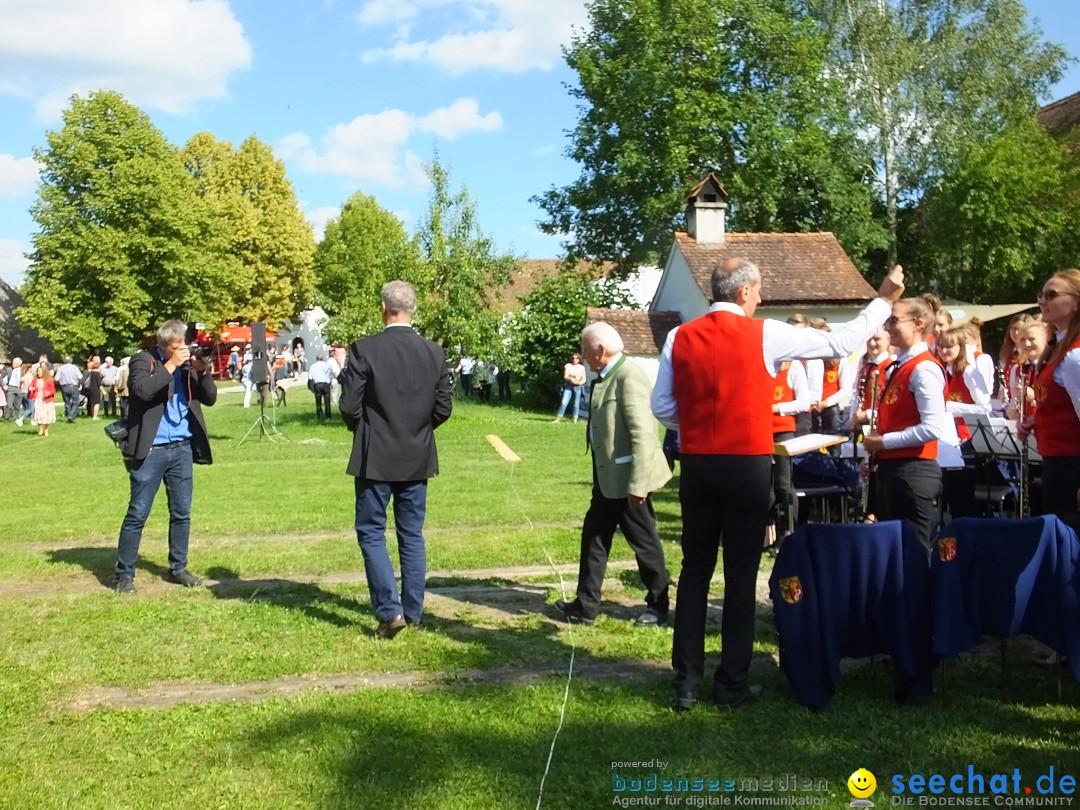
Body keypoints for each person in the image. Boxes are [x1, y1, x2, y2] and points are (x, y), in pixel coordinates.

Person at [651, 258, 904, 711]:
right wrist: (883, 300)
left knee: (694, 570)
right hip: (747, 462)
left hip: (698, 464)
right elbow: (841, 341)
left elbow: (662, 405)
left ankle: (685, 681)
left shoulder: (678, 336)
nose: (762, 298)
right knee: (741, 573)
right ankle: (730, 683)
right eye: (760, 290)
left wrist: (695, 430)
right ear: (745, 292)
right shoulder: (765, 333)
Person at [340, 281, 453, 638]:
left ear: (383, 308)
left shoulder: (365, 349)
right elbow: (443, 408)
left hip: (377, 455)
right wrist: (417, 430)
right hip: (416, 454)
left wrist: (365, 428)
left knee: (372, 532)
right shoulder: (434, 352)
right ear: (412, 309)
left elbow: (348, 405)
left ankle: (391, 613)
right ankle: (414, 612)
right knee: (411, 534)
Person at [554, 323, 672, 628]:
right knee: (594, 538)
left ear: (600, 351)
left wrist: (638, 485)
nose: (582, 354)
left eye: (584, 348)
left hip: (629, 480)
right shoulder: (606, 376)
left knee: (644, 542)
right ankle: (585, 606)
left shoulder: (628, 376)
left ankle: (658, 605)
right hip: (606, 478)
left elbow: (645, 435)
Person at [113, 320, 218, 594]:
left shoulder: (187, 365)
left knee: (182, 513)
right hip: (151, 450)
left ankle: (178, 568)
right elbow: (141, 391)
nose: (183, 350)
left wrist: (202, 372)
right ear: (163, 346)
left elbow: (210, 398)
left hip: (181, 448)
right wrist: (170, 365)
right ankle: (124, 575)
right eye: (177, 346)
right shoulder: (143, 360)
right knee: (138, 512)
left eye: (185, 345)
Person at [863, 297, 946, 553]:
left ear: (918, 324)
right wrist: (876, 453)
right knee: (895, 550)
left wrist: (883, 443)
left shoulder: (923, 368)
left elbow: (932, 428)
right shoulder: (899, 366)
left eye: (894, 320)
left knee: (914, 551)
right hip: (894, 469)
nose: (888, 326)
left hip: (913, 471)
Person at [1022, 270, 1080, 522]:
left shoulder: (1074, 355)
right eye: (1041, 295)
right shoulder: (1059, 347)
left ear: (1076, 302)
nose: (1042, 301)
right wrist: (1039, 420)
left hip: (1072, 465)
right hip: (1057, 462)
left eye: (1051, 295)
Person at [934, 326, 991, 520]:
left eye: (950, 346)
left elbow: (984, 407)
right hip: (947, 438)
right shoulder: (942, 371)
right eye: (941, 346)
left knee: (964, 497)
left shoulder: (969, 372)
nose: (945, 351)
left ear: (961, 347)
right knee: (949, 496)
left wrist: (949, 406)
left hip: (966, 440)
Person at [553, 352, 587, 423]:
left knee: (576, 403)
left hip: (578, 386)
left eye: (576, 358)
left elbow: (584, 379)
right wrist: (570, 379)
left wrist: (579, 382)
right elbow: (565, 376)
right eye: (573, 358)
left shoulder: (581, 368)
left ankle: (575, 419)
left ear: (579, 359)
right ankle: (558, 418)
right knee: (564, 402)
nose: (575, 360)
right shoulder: (568, 366)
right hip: (569, 385)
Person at [27, 364, 57, 437]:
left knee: (46, 415)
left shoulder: (49, 379)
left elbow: (53, 390)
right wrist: (31, 389)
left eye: (40, 371)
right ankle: (40, 429)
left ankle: (46, 430)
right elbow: (31, 386)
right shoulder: (35, 379)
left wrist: (48, 393)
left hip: (47, 400)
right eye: (37, 371)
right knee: (39, 414)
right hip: (38, 399)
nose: (38, 373)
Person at [308, 352, 336, 421]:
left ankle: (319, 415)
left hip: (317, 385)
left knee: (318, 402)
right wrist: (329, 383)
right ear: (323, 358)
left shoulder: (313, 366)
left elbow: (310, 377)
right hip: (325, 384)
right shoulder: (327, 366)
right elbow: (331, 376)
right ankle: (328, 416)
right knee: (327, 401)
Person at [54, 356, 82, 422]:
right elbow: (80, 377)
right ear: (71, 361)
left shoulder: (61, 368)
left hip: (64, 387)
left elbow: (56, 378)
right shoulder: (75, 368)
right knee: (75, 402)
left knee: (67, 403)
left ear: (64, 361)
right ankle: (71, 416)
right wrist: (79, 383)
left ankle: (69, 416)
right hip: (73, 386)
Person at [4, 358, 23, 425]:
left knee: (17, 404)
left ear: (19, 363)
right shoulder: (9, 370)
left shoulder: (22, 370)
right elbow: (1, 378)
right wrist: (4, 385)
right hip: (11, 387)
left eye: (14, 362)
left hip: (18, 388)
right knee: (9, 404)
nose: (13, 364)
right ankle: (6, 417)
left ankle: (16, 417)